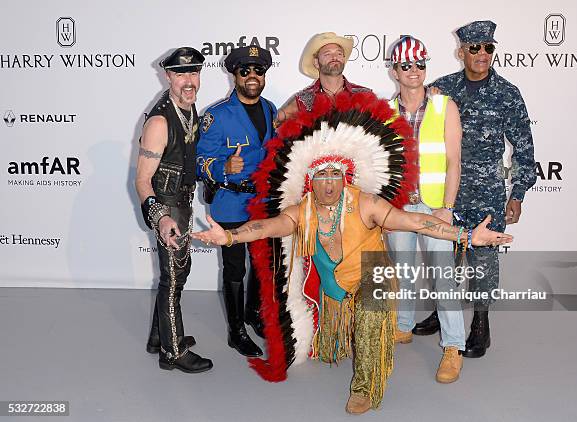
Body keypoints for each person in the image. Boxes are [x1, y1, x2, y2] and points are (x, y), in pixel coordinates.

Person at [192, 93, 512, 413]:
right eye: (322, 175)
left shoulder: (366, 203)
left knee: (371, 317)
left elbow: (417, 221)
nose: (329, 183)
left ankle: (365, 386)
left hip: (373, 273)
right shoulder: (302, 211)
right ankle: (340, 334)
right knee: (331, 349)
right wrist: (231, 236)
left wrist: (467, 236)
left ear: (344, 177)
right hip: (335, 286)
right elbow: (264, 227)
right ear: (310, 180)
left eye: (335, 175)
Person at [430, 20, 536, 358]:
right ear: (461, 52)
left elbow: (524, 148)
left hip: (487, 192)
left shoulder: (507, 94)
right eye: (474, 48)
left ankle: (480, 322)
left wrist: (517, 193)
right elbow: (409, 114)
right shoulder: (442, 89)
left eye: (488, 47)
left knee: (483, 260)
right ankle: (442, 312)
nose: (482, 54)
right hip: (447, 191)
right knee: (445, 256)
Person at [386, 35, 465, 383]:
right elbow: (380, 166)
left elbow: (453, 161)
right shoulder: (384, 113)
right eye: (406, 65)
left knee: (443, 278)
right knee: (402, 271)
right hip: (400, 206)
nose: (414, 71)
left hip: (435, 207)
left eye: (420, 64)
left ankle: (453, 346)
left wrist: (447, 208)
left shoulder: (444, 106)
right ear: (394, 71)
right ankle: (402, 326)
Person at [135, 47, 212, 373]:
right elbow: (141, 181)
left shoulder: (190, 108)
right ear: (168, 76)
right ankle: (173, 351)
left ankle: (159, 337)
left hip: (182, 201)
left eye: (193, 73)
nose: (188, 81)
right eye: (181, 74)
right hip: (167, 207)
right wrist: (162, 218)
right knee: (173, 279)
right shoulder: (158, 122)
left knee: (177, 274)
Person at [196, 45, 277, 357]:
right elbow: (200, 161)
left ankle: (253, 314)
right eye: (245, 71)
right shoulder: (216, 116)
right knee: (234, 269)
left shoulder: (270, 108)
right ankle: (236, 330)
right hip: (230, 201)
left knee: (261, 263)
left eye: (259, 71)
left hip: (262, 201)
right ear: (234, 75)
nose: (252, 76)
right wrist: (223, 167)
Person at [275, 32, 370, 123]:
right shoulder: (302, 100)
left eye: (339, 53)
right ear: (316, 63)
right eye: (327, 54)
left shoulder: (365, 95)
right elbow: (274, 123)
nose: (335, 57)